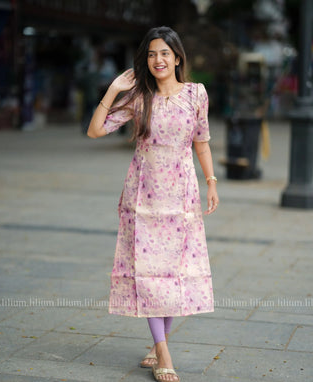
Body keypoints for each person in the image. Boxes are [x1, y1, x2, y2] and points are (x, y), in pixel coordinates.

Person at [87, 26, 219, 382]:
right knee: (148, 272)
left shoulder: (196, 95)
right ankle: (162, 351)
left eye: (164, 53)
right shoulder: (139, 98)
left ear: (177, 58)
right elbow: (95, 130)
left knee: (173, 273)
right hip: (142, 197)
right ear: (146, 61)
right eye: (151, 54)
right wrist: (114, 90)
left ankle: (158, 343)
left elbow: (202, 142)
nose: (158, 60)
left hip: (182, 195)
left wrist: (211, 182)